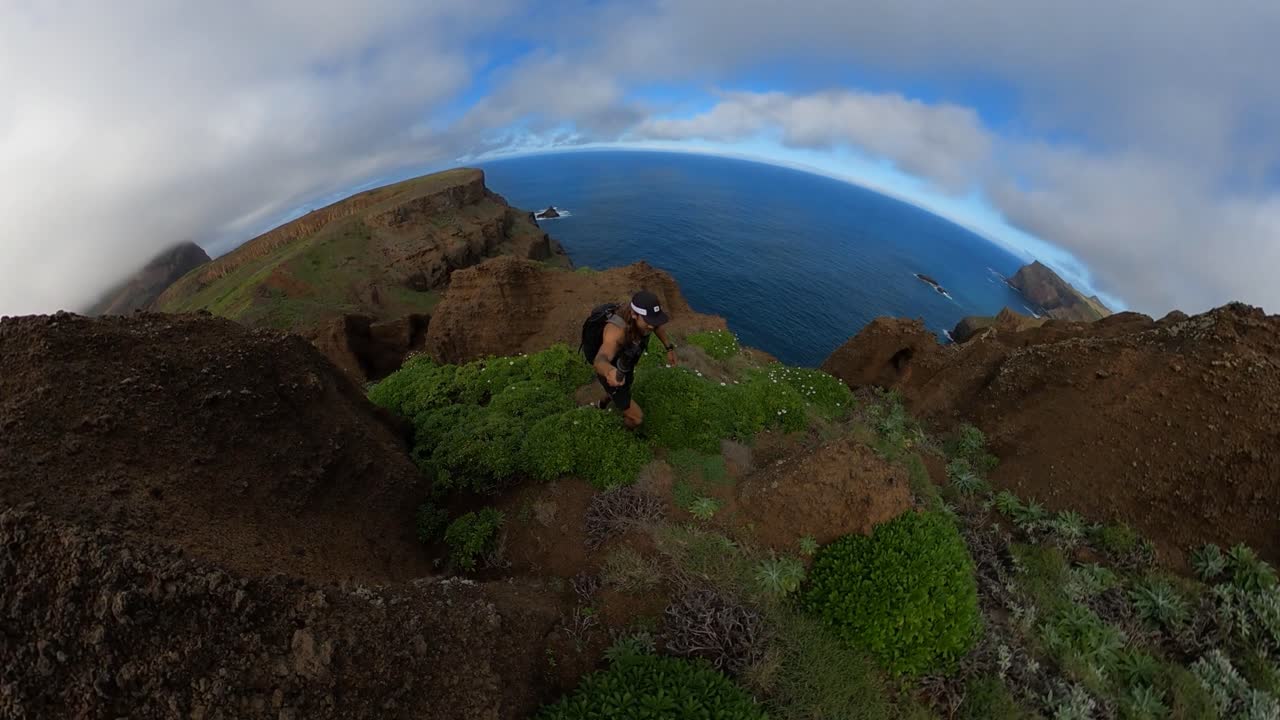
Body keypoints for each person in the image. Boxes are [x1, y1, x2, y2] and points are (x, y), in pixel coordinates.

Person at [593, 290, 678, 428]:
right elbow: (600, 360)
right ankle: (619, 432)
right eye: (649, 321)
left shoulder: (646, 320)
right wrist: (609, 372)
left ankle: (601, 405)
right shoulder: (616, 331)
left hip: (626, 363)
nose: (652, 325)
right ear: (634, 314)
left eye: (654, 320)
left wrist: (669, 348)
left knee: (625, 386)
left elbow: (656, 327)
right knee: (637, 419)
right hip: (611, 369)